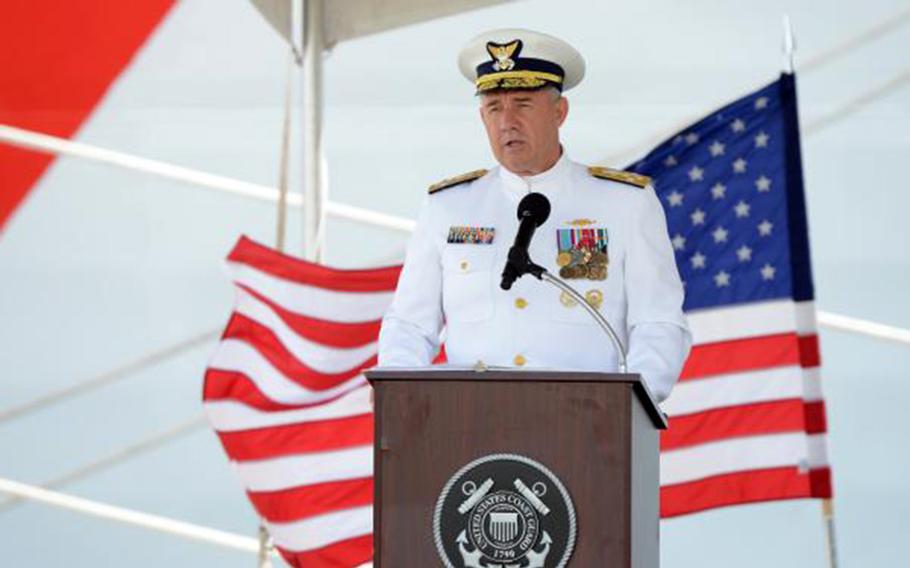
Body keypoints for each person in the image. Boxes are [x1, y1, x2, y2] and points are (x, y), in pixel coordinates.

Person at [377, 28, 691, 402]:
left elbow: (659, 322)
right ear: (482, 119)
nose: (507, 121)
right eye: (494, 108)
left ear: (559, 112)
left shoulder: (624, 204)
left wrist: (632, 404)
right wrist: (396, 393)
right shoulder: (448, 208)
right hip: (466, 423)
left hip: (587, 423)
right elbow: (410, 324)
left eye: (523, 103)